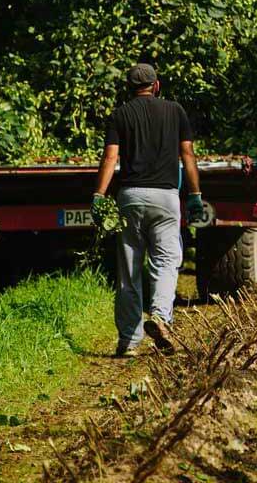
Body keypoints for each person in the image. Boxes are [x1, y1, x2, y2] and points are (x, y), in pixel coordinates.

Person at [92, 62, 209, 357]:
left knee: (129, 272)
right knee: (166, 262)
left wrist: (98, 195)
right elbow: (187, 154)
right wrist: (194, 194)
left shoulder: (120, 115)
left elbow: (110, 158)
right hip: (166, 197)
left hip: (130, 196)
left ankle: (129, 342)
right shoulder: (175, 111)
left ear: (129, 89)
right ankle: (159, 317)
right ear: (156, 86)